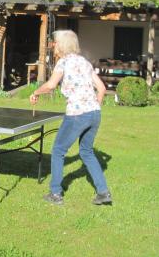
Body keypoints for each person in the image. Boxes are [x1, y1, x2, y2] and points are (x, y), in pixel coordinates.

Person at [30, 30, 112, 205]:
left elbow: (51, 85)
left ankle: (55, 194)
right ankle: (103, 193)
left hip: (76, 115)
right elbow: (102, 88)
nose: (54, 46)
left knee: (58, 151)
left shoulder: (63, 63)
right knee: (87, 152)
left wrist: (36, 92)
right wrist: (93, 106)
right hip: (94, 114)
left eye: (55, 43)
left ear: (61, 45)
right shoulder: (84, 62)